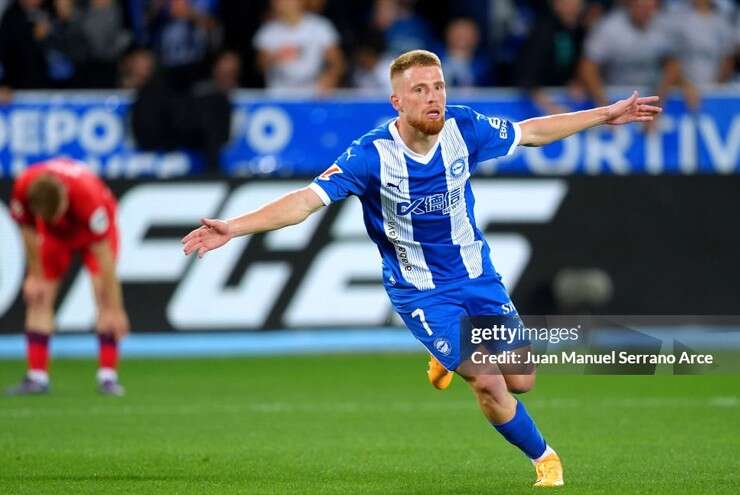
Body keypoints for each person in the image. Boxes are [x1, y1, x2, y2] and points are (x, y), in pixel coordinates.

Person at [181, 49, 661, 487]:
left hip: (476, 275)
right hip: (421, 290)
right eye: (420, 90)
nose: (434, 98)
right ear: (397, 102)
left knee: (521, 378)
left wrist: (604, 114)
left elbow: (531, 132)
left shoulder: (463, 128)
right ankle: (545, 459)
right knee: (489, 380)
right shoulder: (370, 157)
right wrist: (235, 227)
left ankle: (442, 356)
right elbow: (304, 202)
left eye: (439, 87)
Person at [7, 158, 129, 396]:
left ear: (64, 195)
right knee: (39, 296)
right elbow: (29, 230)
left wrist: (116, 308)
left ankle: (108, 377)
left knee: (103, 294)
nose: (57, 219)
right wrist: (35, 275)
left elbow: (105, 262)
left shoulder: (88, 197)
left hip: (92, 232)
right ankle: (37, 377)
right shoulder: (24, 187)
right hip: (55, 238)